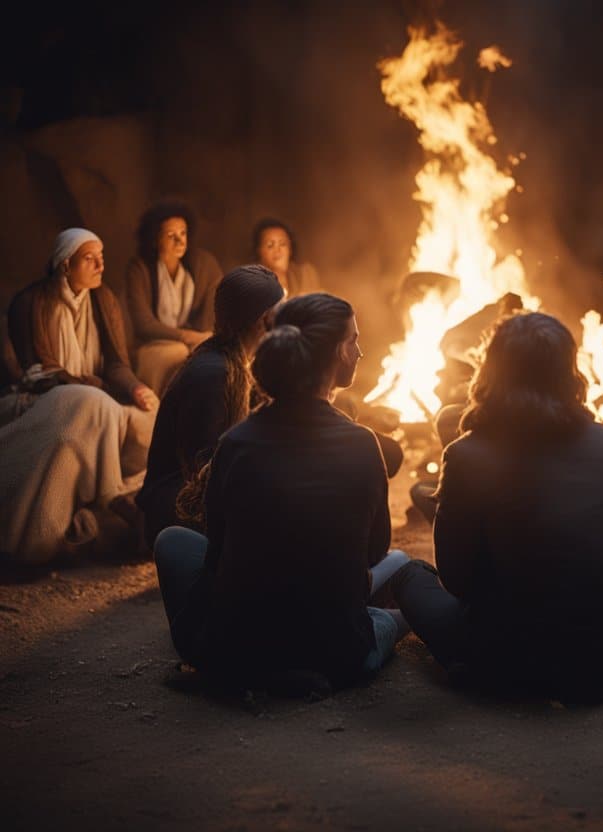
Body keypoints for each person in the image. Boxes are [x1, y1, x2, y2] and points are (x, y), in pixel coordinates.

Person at [391, 312, 603, 702]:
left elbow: (457, 582)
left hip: (499, 655)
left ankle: (477, 666)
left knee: (411, 575)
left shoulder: (465, 453)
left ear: (492, 370)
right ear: (570, 372)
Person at [153, 292, 409, 690]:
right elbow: (375, 552)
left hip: (238, 646)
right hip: (336, 651)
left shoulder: (235, 443)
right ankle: (323, 652)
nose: (360, 351)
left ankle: (255, 661)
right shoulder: (363, 443)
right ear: (337, 354)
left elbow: (216, 552)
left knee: (171, 541)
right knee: (402, 576)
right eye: (354, 341)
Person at [1, 228, 157, 562]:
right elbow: (39, 373)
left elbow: (115, 363)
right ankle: (112, 497)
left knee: (149, 417)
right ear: (65, 265)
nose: (101, 266)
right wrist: (89, 383)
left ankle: (132, 503)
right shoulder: (30, 302)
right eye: (90, 259)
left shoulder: (103, 300)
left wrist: (136, 388)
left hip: (93, 397)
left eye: (102, 258)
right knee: (92, 402)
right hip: (44, 400)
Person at [136, 265, 285, 547]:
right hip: (178, 506)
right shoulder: (213, 374)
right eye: (282, 312)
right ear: (263, 320)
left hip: (206, 491)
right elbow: (205, 470)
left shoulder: (237, 363)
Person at [125, 200, 223, 395]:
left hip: (195, 341)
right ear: (155, 239)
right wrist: (186, 336)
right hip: (151, 345)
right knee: (177, 354)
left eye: (183, 233)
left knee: (211, 358)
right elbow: (144, 324)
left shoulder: (203, 264)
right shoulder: (140, 269)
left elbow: (215, 307)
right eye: (171, 235)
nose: (180, 241)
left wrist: (202, 337)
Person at [252, 217, 322, 298]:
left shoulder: (306, 275)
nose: (277, 250)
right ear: (259, 251)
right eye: (270, 245)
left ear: (290, 249)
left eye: (282, 244)